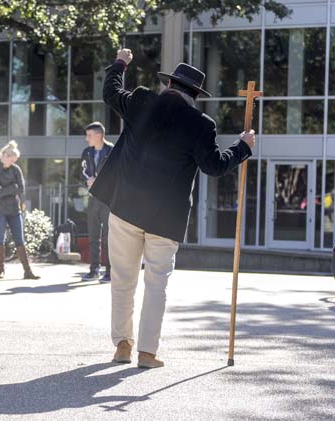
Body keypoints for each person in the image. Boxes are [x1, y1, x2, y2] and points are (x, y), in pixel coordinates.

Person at [91, 48, 256, 369]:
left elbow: (109, 91)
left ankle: (122, 346)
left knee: (123, 281)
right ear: (194, 95)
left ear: (169, 85)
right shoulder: (201, 124)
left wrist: (121, 63)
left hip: (125, 207)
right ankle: (147, 353)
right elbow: (214, 166)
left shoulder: (141, 101)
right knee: (156, 285)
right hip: (164, 220)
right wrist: (242, 147)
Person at [0, 140, 40, 280]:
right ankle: (0, 270)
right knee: (0, 237)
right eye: (12, 159)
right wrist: (12, 188)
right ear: (5, 155)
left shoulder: (16, 169)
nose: (13, 161)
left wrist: (5, 189)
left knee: (20, 239)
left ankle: (27, 271)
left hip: (14, 209)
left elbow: (21, 189)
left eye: (15, 160)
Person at [81, 121, 114, 282]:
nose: (87, 139)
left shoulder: (112, 151)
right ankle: (94, 270)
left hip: (108, 201)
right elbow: (83, 172)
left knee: (109, 237)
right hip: (93, 199)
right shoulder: (87, 152)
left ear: (99, 135)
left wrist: (98, 181)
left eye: (89, 135)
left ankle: (109, 272)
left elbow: (117, 175)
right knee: (93, 236)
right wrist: (87, 181)